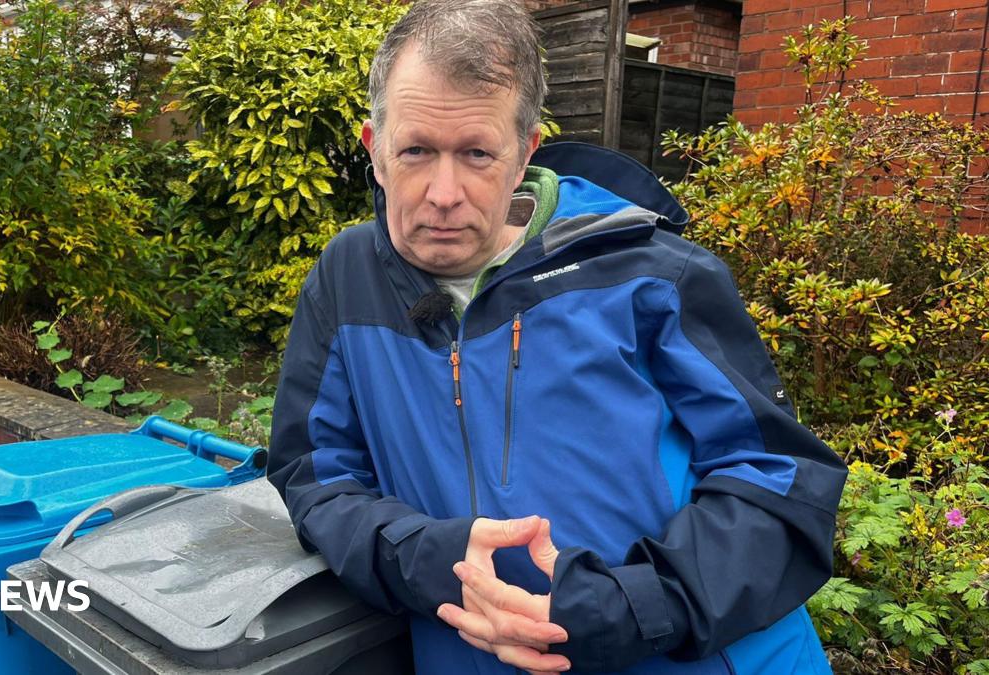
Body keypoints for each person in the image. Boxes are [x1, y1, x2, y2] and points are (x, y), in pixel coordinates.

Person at [268, 0, 848, 672]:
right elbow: (315, 474)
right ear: (376, 151)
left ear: (524, 154)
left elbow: (780, 484)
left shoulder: (654, 275)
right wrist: (423, 557)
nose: (443, 192)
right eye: (417, 151)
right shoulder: (346, 280)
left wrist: (633, 604)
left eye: (477, 153)